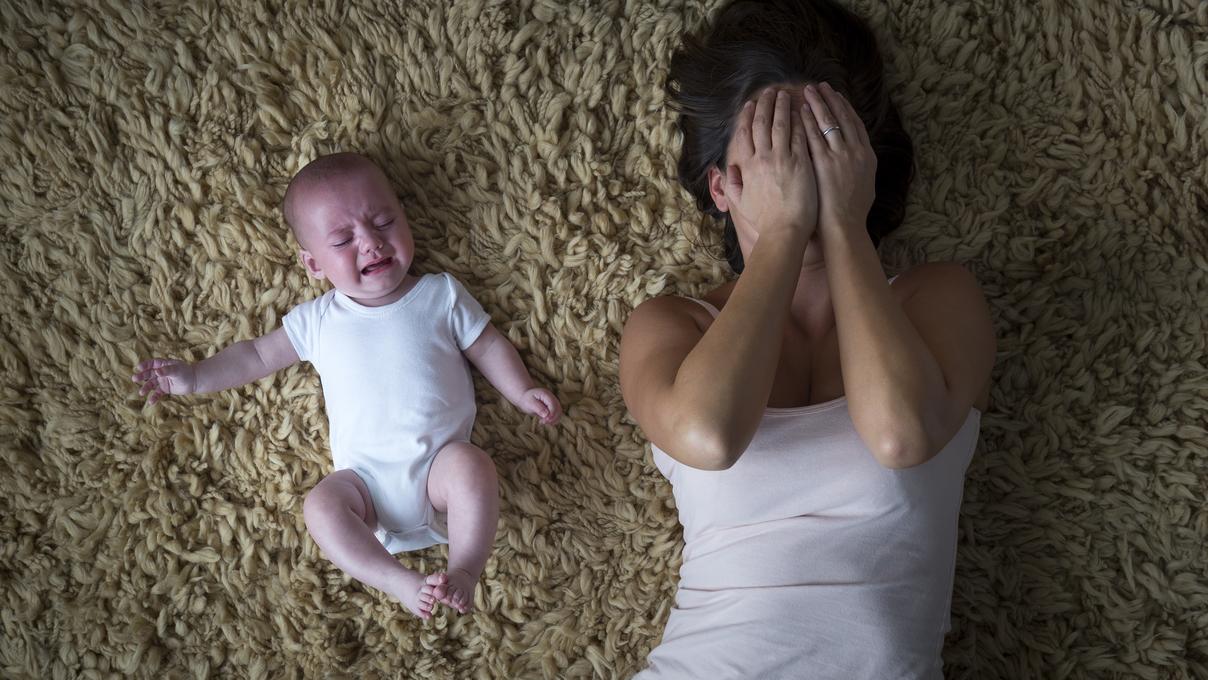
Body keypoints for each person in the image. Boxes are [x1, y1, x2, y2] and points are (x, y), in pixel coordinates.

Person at [620, 1, 995, 677]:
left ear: (863, 165)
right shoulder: (670, 326)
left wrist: (845, 226)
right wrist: (783, 235)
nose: (801, 170)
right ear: (722, 188)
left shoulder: (938, 299)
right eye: (773, 153)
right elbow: (709, 435)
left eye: (823, 143)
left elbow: (901, 435)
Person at [132, 152, 562, 620]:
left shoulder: (439, 294)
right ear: (314, 264)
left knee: (473, 466)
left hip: (440, 471)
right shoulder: (319, 319)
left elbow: (487, 345)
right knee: (320, 506)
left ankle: (463, 571)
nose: (371, 243)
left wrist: (520, 391)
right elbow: (256, 355)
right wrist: (196, 377)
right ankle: (396, 579)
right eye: (343, 240)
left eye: (383, 221)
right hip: (366, 491)